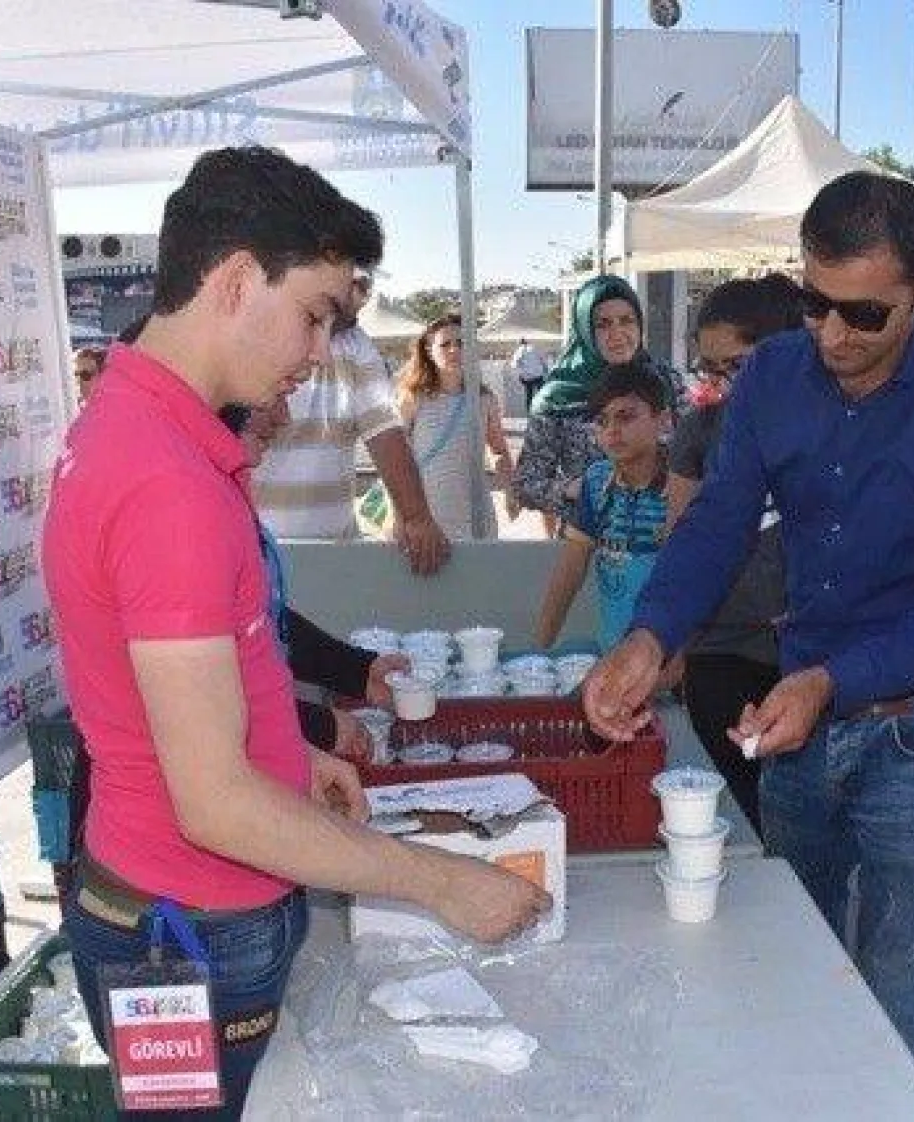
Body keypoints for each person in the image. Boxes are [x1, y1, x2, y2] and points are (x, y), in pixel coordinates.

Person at [42, 146, 550, 1115]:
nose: (318, 352)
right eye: (315, 313)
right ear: (234, 280)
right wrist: (439, 881)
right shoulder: (165, 484)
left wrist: (287, 752)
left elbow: (198, 678)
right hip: (187, 921)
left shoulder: (132, 425)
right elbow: (215, 805)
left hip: (163, 890)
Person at [582, 171, 914, 1065]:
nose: (832, 334)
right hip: (797, 716)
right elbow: (718, 523)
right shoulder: (777, 373)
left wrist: (830, 682)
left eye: (864, 314)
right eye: (815, 304)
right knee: (794, 960)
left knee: (898, 976)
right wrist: (650, 634)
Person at [663, 273, 803, 837]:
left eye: (737, 365)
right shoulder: (702, 429)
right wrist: (667, 640)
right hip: (722, 650)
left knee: (801, 824)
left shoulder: (830, 429)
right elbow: (683, 541)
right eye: (710, 369)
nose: (723, 384)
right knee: (740, 816)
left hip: (805, 659)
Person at [221, 399, 409, 761]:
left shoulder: (224, 485)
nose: (284, 417)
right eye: (271, 398)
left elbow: (263, 622)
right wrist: (317, 726)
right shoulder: (180, 501)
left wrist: (358, 671)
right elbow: (200, 692)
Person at [249, 271, 451, 575]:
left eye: (367, 286)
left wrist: (415, 517)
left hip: (336, 553)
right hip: (257, 552)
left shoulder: (356, 344)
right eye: (355, 282)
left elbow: (385, 432)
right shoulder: (255, 336)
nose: (362, 296)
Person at [514, 275, 678, 530]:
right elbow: (526, 484)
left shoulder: (667, 382)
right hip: (586, 547)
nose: (617, 334)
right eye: (603, 324)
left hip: (660, 538)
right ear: (584, 330)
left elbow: (697, 456)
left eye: (627, 321)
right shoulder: (556, 398)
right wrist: (573, 490)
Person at [535, 362, 672, 654]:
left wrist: (671, 672)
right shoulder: (596, 480)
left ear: (663, 421)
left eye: (626, 417)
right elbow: (571, 568)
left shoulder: (682, 484)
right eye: (602, 420)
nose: (612, 430)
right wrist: (541, 649)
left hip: (670, 665)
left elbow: (694, 585)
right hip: (613, 654)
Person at [395, 315, 512, 540]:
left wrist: (509, 489)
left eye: (461, 343)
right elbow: (398, 461)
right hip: (427, 515)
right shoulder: (412, 398)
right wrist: (400, 518)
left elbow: (498, 449)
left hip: (477, 515)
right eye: (445, 344)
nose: (454, 350)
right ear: (429, 350)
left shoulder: (484, 399)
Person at [508, 336, 548, 410]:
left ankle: (530, 411)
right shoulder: (535, 348)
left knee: (529, 395)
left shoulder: (519, 350)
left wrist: (520, 373)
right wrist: (545, 370)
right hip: (538, 375)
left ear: (520, 343)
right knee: (541, 393)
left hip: (527, 377)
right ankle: (542, 409)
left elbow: (514, 365)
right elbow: (544, 360)